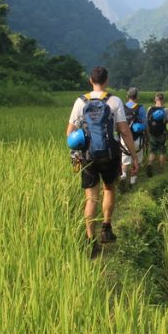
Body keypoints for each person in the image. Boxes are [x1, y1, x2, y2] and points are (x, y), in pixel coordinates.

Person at [66, 67, 138, 246]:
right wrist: (134, 156)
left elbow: (69, 133)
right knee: (109, 188)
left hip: (87, 154)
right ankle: (106, 228)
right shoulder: (114, 100)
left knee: (91, 197)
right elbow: (124, 130)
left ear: (91, 80)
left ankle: (90, 239)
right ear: (106, 81)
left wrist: (77, 152)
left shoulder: (80, 101)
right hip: (110, 154)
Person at [120, 87, 147, 187]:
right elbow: (145, 125)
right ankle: (132, 181)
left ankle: (123, 176)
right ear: (137, 97)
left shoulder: (122, 107)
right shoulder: (141, 108)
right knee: (136, 160)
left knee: (125, 161)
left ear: (127, 96)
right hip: (137, 139)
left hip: (124, 139)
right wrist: (147, 139)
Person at [146, 92, 168, 176]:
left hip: (152, 133)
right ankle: (161, 169)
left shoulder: (150, 108)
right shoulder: (165, 110)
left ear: (155, 99)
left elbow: (147, 121)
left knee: (152, 151)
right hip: (162, 134)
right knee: (162, 151)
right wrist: (166, 120)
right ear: (163, 100)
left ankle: (150, 164)